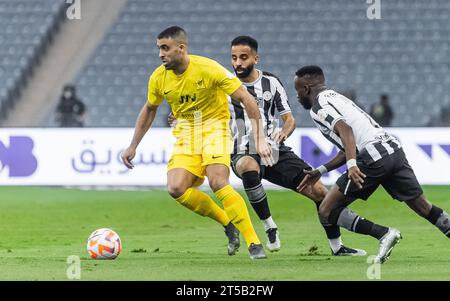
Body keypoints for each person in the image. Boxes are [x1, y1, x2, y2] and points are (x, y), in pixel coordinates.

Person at [169, 36, 365, 256]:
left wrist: (284, 131)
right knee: (247, 166)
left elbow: (289, 118)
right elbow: (199, 112)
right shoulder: (222, 84)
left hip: (275, 151)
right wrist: (180, 118)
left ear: (255, 58)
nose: (238, 63)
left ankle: (337, 247)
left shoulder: (271, 83)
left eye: (243, 57)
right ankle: (269, 225)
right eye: (234, 58)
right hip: (241, 149)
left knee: (319, 191)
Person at [121, 26, 273, 259]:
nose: (161, 54)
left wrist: (259, 138)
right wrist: (133, 145)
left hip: (214, 128)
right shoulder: (159, 77)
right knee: (176, 188)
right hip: (186, 133)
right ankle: (227, 222)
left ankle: (254, 242)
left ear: (181, 48)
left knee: (218, 182)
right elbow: (150, 109)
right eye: (159, 48)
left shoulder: (208, 68)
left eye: (165, 48)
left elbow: (245, 98)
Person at [294, 65, 450, 264]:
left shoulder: (319, 106)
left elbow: (346, 131)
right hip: (392, 149)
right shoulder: (338, 98)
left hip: (374, 156)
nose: (298, 97)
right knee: (422, 206)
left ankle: (384, 234)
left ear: (306, 89)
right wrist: (321, 170)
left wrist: (352, 165)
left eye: (298, 91)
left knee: (326, 209)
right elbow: (348, 146)